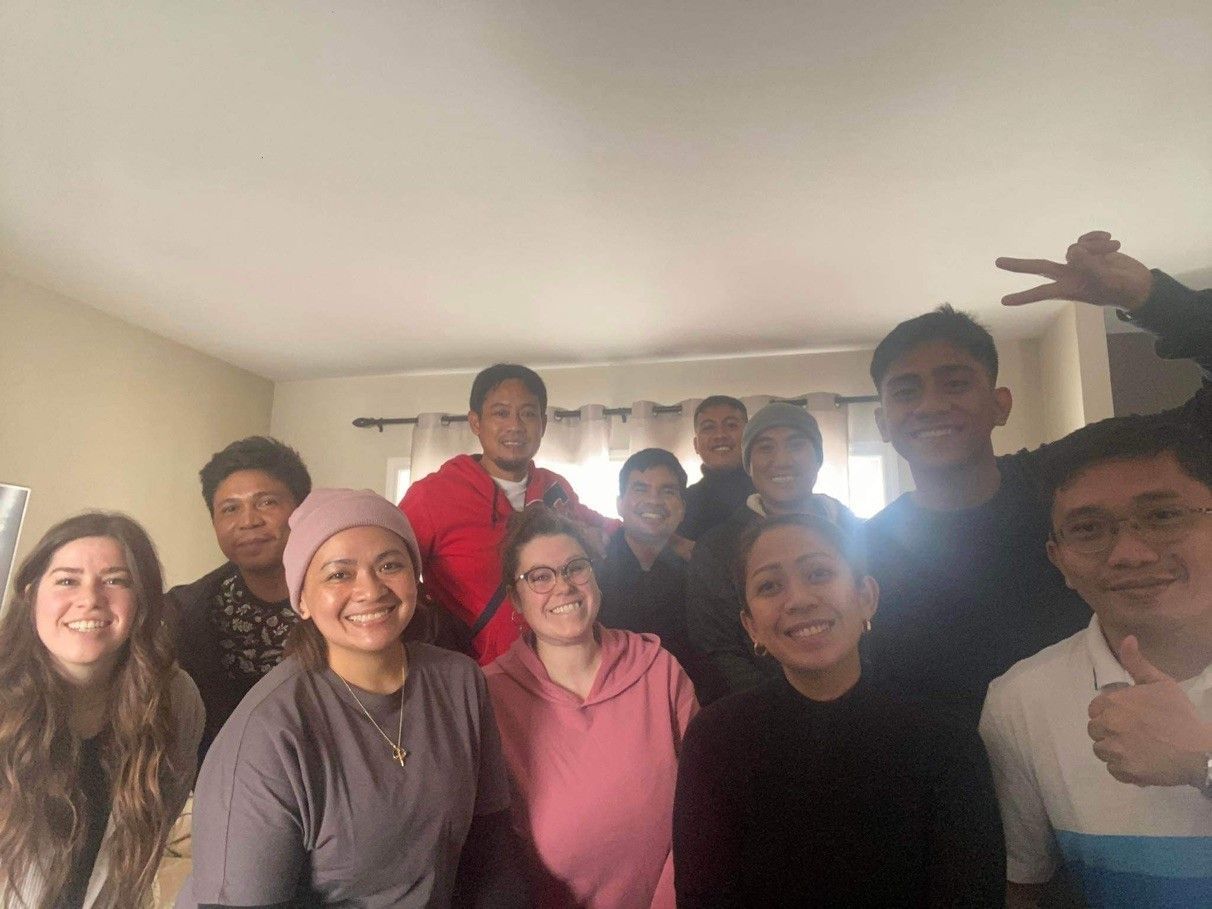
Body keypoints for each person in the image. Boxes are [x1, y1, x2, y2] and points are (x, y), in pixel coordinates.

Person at [865, 230, 1212, 727]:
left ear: (1000, 405)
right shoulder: (864, 550)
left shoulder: (1068, 482)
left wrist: (1154, 300)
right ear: (882, 423)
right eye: (905, 391)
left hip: (1104, 743)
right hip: (944, 770)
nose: (931, 405)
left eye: (955, 383)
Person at [180, 488, 525, 908]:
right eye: (339, 574)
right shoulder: (269, 732)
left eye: (389, 565)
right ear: (302, 600)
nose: (371, 590)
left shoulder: (459, 682)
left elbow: (491, 848)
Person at [674, 513, 1004, 907]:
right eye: (769, 586)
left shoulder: (945, 739)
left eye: (818, 574)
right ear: (751, 626)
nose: (799, 600)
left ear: (866, 597)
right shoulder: (716, 740)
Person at [980, 416, 1212, 908]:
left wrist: (1202, 764)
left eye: (1163, 516)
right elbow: (1024, 887)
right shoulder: (1021, 700)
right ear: (1059, 559)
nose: (1129, 553)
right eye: (1087, 529)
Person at [485, 506, 698, 909]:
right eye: (540, 577)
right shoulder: (489, 697)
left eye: (575, 568)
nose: (563, 586)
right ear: (515, 598)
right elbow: (492, 850)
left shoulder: (660, 669)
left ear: (595, 577)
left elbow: (704, 800)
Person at [0, 513, 204, 907]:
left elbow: (151, 836)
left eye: (115, 581)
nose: (90, 599)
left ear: (143, 600)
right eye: (67, 580)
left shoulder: (174, 702)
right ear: (30, 594)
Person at [401, 363, 617, 665]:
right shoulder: (431, 495)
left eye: (528, 413)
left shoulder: (555, 488)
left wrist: (675, 543)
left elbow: (614, 530)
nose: (515, 425)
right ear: (475, 422)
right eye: (501, 413)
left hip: (559, 669)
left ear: (543, 423)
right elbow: (392, 570)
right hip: (476, 674)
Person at [686, 401, 858, 700]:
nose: (782, 460)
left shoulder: (856, 532)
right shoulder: (717, 547)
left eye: (796, 445)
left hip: (861, 698)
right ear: (749, 464)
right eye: (765, 448)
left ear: (818, 457)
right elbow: (716, 647)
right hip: (762, 710)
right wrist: (785, 704)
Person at [167, 435, 311, 763]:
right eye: (230, 508)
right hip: (221, 778)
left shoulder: (346, 604)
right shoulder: (182, 613)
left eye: (267, 502)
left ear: (301, 511)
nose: (248, 521)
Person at [597, 447, 714, 698]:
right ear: (619, 503)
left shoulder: (704, 572)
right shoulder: (591, 568)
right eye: (640, 489)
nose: (654, 500)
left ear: (682, 508)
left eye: (667, 491)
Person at [677, 396, 754, 541]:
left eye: (731, 425)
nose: (720, 435)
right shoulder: (683, 503)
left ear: (749, 437)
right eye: (708, 427)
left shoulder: (769, 495)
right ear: (696, 445)